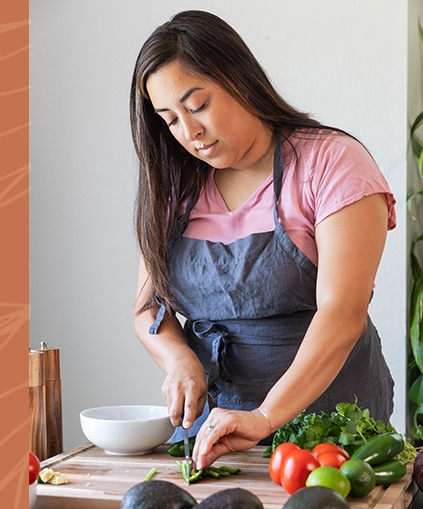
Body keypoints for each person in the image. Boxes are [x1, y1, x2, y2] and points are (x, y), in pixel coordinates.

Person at [130, 10, 395, 471]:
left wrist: (266, 415)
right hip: (210, 430)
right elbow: (148, 309)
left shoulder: (331, 164)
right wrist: (179, 361)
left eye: (198, 106)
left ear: (240, 79)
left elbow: (343, 312)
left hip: (329, 434)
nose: (189, 133)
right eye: (170, 119)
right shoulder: (175, 186)